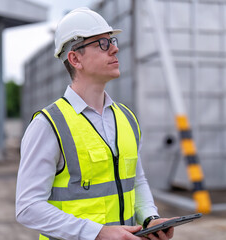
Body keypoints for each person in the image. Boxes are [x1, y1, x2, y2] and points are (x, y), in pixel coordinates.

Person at [16, 7, 175, 240]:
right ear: (75, 59)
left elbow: (136, 181)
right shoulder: (48, 125)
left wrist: (149, 218)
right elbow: (28, 208)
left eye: (112, 40)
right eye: (102, 43)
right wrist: (97, 233)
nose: (115, 48)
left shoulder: (126, 118)